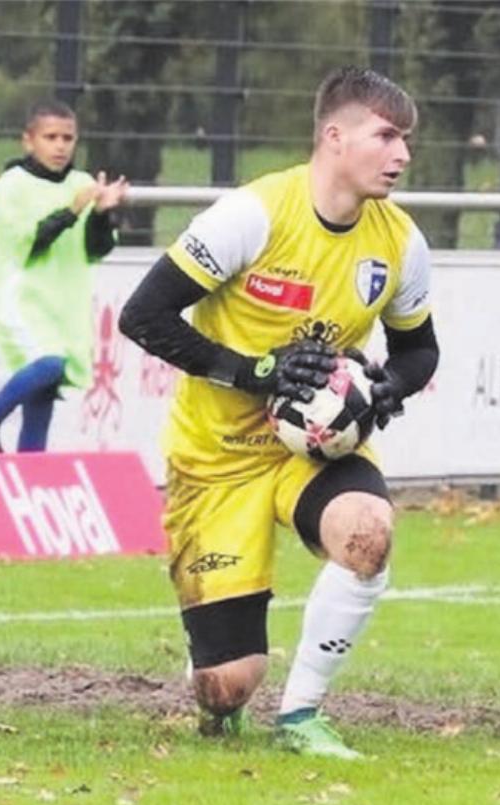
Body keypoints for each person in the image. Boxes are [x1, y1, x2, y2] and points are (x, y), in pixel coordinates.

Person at [117, 66, 440, 760]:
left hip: (312, 449)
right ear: (334, 136)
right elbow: (143, 316)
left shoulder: (401, 242)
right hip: (216, 459)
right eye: (386, 136)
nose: (402, 156)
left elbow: (419, 351)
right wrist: (253, 374)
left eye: (406, 140)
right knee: (226, 686)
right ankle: (216, 661)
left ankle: (302, 716)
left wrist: (389, 388)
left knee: (368, 535)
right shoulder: (254, 214)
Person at [0, 100, 129, 453]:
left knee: (42, 399)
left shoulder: (83, 183)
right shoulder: (14, 185)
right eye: (50, 137)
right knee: (50, 364)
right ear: (29, 141)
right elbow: (30, 241)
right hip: (21, 299)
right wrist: (73, 209)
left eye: (67, 138)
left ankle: (30, 471)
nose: (60, 146)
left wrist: (102, 214)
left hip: (62, 304)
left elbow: (96, 249)